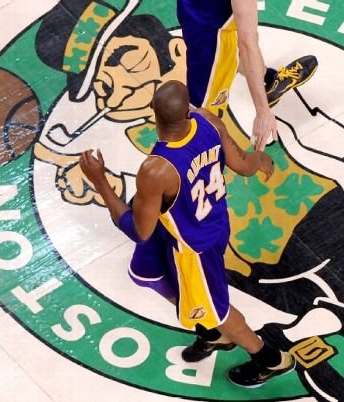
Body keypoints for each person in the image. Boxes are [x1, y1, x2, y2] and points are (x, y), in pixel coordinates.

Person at [78, 81, 296, 388]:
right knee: (146, 272)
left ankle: (269, 359)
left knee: (217, 310)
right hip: (197, 221)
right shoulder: (208, 121)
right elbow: (243, 165)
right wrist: (260, 160)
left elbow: (139, 231)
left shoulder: (156, 170)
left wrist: (100, 181)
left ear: (152, 111)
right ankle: (212, 333)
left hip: (193, 246)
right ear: (187, 111)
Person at [177, 0, 318, 150]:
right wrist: (263, 113)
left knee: (245, 28)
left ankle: (268, 81)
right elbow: (247, 44)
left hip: (193, 8)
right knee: (203, 114)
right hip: (212, 37)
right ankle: (191, 154)